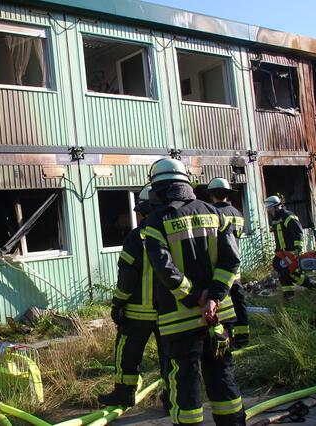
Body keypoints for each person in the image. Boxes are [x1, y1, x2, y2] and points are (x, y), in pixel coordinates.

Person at [144, 159, 245, 426]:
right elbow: (232, 260)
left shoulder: (157, 220)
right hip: (218, 316)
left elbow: (164, 268)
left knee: (184, 383)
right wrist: (214, 297)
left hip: (180, 320)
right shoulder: (215, 213)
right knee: (222, 376)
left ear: (159, 187)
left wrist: (196, 296)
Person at [97, 185, 168, 408]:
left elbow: (128, 276)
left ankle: (124, 394)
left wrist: (118, 303)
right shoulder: (175, 233)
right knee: (170, 357)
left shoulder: (137, 237)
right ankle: (173, 398)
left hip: (138, 314)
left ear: (144, 211)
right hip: (170, 312)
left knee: (127, 354)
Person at [207, 178, 249, 348]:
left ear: (211, 195)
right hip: (235, 268)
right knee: (239, 301)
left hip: (219, 268)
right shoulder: (237, 213)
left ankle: (224, 337)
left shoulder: (212, 213)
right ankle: (243, 336)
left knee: (222, 304)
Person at [264, 195, 316, 299]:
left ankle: (314, 286)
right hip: (281, 252)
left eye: (269, 207)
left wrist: (297, 249)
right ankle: (288, 297)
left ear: (276, 206)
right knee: (282, 273)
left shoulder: (287, 216)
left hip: (290, 252)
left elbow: (298, 232)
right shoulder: (276, 219)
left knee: (290, 273)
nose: (268, 210)